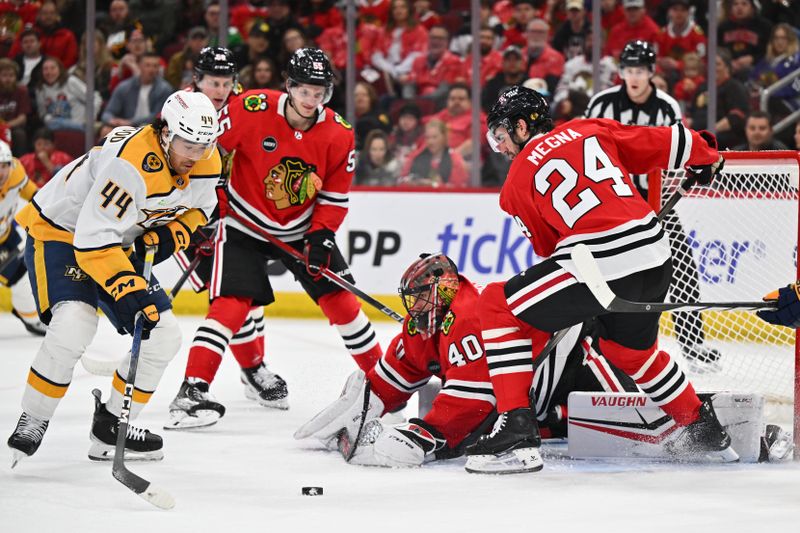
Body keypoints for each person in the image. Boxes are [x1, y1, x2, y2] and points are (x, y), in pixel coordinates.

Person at [468, 84, 733, 474]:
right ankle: (700, 427)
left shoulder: (514, 185)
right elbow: (672, 141)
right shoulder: (589, 128)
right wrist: (706, 155)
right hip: (656, 253)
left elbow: (548, 247)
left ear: (522, 126)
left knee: (496, 303)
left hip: (600, 265)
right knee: (630, 353)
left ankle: (517, 431)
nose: (502, 148)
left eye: (502, 137)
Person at [167, 48, 384, 429]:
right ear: (289, 87)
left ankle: (386, 385)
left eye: (319, 93)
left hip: (300, 230)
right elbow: (208, 153)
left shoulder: (340, 133)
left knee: (343, 304)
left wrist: (321, 237)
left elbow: (334, 196)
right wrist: (210, 207)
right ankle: (192, 390)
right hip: (241, 223)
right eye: (305, 91)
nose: (311, 100)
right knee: (231, 303)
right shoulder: (251, 107)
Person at [6, 90, 222, 466]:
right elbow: (93, 238)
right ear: (166, 133)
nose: (194, 155)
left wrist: (174, 233)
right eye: (187, 143)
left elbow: (202, 208)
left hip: (118, 240)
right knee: (75, 322)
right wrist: (126, 288)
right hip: (65, 233)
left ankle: (111, 427)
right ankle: (35, 416)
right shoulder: (131, 163)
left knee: (164, 335)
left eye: (203, 146)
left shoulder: (206, 158)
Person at [294, 254, 638, 467]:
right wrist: (367, 399)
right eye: (410, 300)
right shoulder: (428, 324)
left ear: (443, 290)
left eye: (420, 298)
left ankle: (675, 412)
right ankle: (554, 419)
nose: (414, 309)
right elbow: (400, 371)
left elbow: (474, 399)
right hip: (530, 387)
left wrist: (424, 435)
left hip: (573, 358)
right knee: (541, 420)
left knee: (635, 419)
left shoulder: (469, 315)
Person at [585, 41, 719, 373]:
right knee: (593, 272)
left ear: (651, 72)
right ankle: (589, 340)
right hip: (610, 207)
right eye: (628, 70)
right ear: (620, 73)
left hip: (652, 203)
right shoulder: (601, 104)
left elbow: (675, 151)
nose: (634, 77)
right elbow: (585, 150)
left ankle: (693, 344)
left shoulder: (666, 106)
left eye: (640, 71)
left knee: (682, 268)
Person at [0, 139, 45, 336]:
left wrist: (47, 208)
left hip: (6, 235)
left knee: (22, 278)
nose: (1, 172)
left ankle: (31, 319)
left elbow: (33, 193)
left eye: (4, 166)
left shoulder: (16, 173)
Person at [100, 52, 173, 136]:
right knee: (106, 130)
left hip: (150, 128)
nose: (152, 69)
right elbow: (108, 112)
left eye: (155, 66)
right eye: (148, 65)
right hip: (126, 128)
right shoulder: (124, 87)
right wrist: (112, 120)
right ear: (139, 66)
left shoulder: (165, 89)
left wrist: (130, 122)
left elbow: (157, 116)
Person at [34, 56, 102, 132]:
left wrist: (91, 118)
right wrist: (47, 118)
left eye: (53, 68)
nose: (49, 72)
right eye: (45, 69)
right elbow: (43, 114)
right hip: (56, 128)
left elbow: (96, 98)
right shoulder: (40, 89)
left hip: (79, 125)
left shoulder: (71, 81)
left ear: (60, 69)